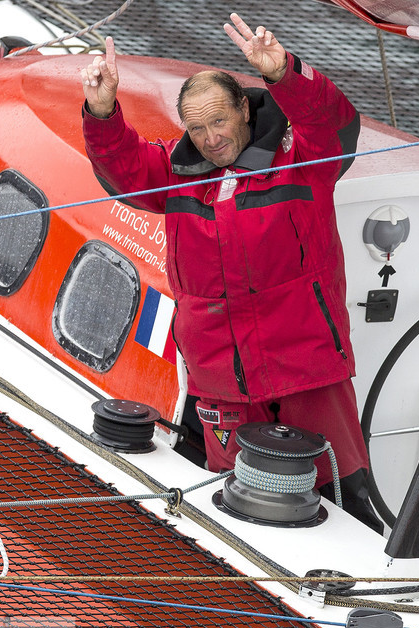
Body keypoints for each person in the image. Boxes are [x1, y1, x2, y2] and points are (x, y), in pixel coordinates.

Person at [81, 14, 383, 531]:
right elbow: (123, 169)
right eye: (195, 128)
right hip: (221, 376)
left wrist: (284, 72)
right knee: (235, 507)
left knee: (341, 495)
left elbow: (331, 123)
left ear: (245, 108)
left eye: (218, 121)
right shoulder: (176, 173)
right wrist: (103, 109)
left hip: (308, 368)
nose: (210, 138)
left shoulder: (302, 160)